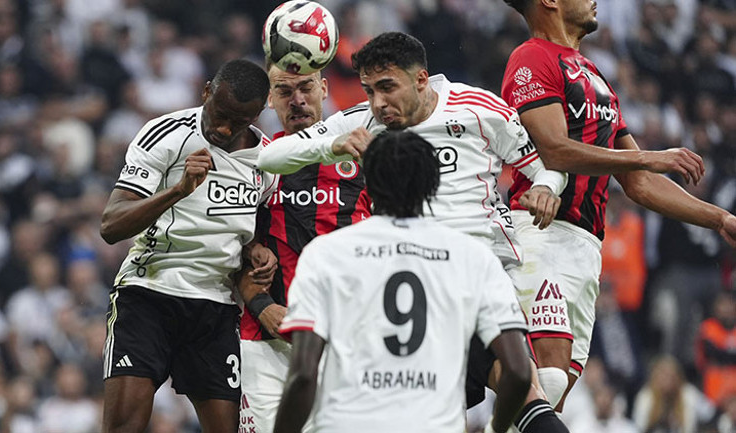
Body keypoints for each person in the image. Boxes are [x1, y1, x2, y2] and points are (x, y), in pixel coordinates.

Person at [258, 31, 569, 433]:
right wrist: (332, 145)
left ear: (421, 79)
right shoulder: (361, 121)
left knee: (510, 390)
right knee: (489, 393)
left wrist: (545, 187)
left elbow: (545, 164)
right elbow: (270, 156)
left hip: (478, 265)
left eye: (387, 88)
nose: (378, 104)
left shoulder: (480, 109)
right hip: (409, 270)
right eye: (369, 90)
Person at [500, 0, 736, 412]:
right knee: (548, 383)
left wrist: (717, 218)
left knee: (547, 404)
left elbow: (638, 183)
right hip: (542, 234)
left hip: (587, 249)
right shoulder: (531, 57)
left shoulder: (594, 75)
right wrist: (647, 155)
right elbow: (554, 150)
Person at [272, 130, 531, 433]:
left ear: (367, 181)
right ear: (433, 184)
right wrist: (494, 429)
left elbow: (303, 374)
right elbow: (518, 371)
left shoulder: (326, 254)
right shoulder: (473, 257)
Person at [99, 59, 278, 433]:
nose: (224, 127)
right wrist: (177, 190)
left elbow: (251, 232)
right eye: (220, 113)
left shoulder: (267, 163)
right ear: (206, 91)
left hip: (215, 309)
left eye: (239, 121)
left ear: (258, 114)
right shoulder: (165, 134)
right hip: (149, 295)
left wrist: (257, 249)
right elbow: (111, 224)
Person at [236, 61, 370, 433]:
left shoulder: (364, 155)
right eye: (284, 92)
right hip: (267, 343)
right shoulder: (253, 164)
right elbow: (233, 246)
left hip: (346, 342)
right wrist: (261, 306)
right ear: (269, 100)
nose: (297, 101)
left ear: (325, 89)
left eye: (306, 88)